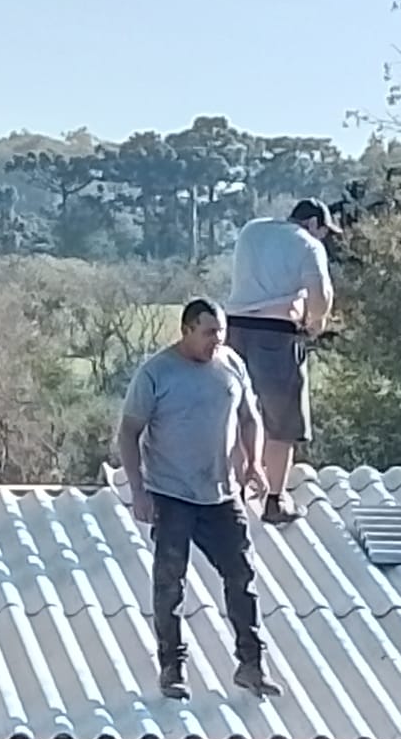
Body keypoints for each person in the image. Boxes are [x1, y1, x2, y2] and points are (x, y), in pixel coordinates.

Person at [117, 298, 281, 702]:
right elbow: (129, 432)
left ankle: (251, 664)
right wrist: (138, 489)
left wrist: (254, 463)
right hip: (171, 492)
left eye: (220, 333)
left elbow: (250, 418)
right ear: (187, 331)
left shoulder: (231, 364)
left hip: (221, 493)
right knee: (170, 583)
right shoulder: (157, 373)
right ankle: (172, 668)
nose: (216, 341)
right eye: (208, 333)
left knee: (241, 576)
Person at [224, 197, 340, 524]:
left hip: (234, 329)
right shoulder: (308, 244)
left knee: (237, 414)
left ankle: (234, 493)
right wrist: (315, 322)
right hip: (276, 332)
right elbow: (321, 295)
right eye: (323, 231)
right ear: (314, 224)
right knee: (282, 422)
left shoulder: (252, 230)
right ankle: (274, 499)